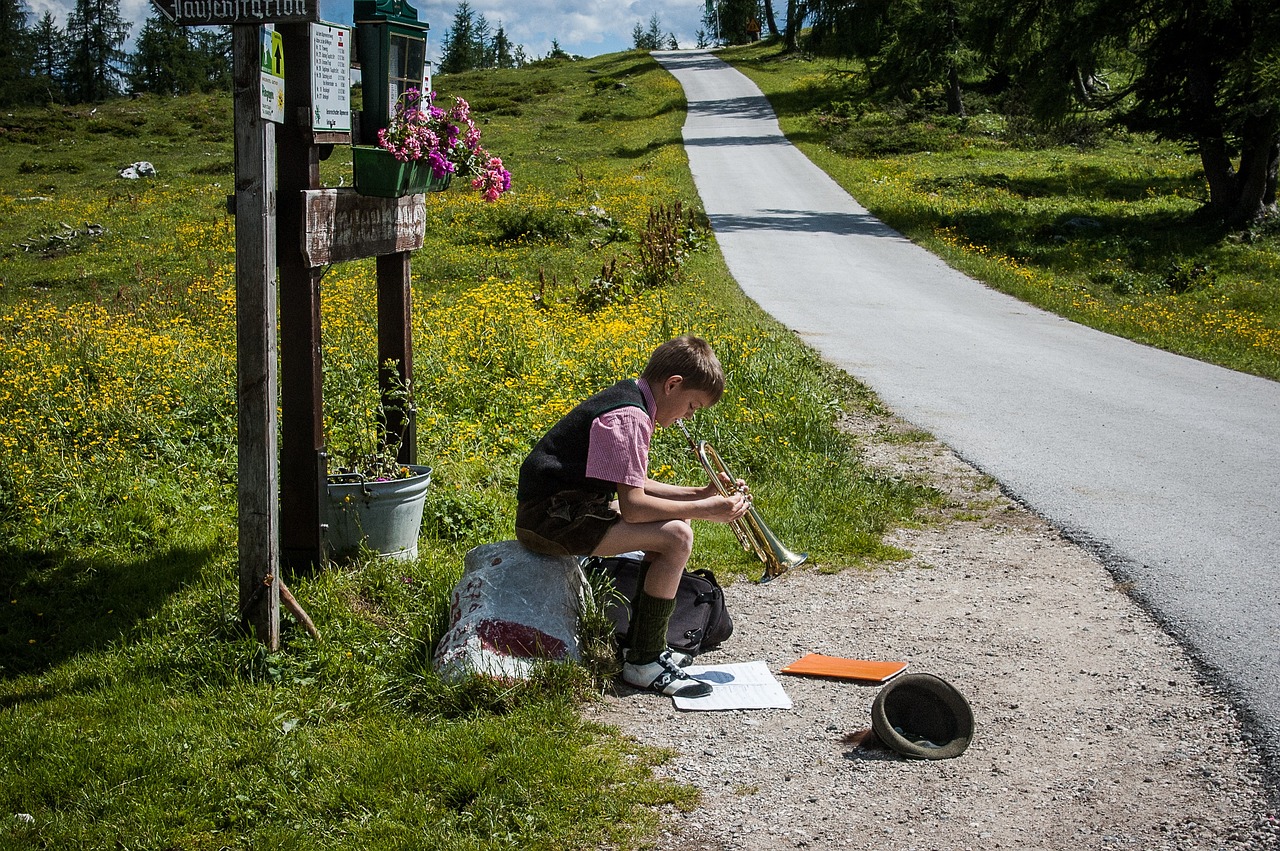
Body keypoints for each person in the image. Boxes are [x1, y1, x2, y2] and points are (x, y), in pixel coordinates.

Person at [515, 335, 750, 698]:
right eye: (692, 405)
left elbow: (631, 482)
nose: (689, 415)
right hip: (553, 520)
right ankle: (643, 663)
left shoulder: (630, 400)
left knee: (677, 525)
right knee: (677, 536)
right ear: (673, 385)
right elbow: (635, 506)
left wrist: (699, 494)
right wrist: (704, 510)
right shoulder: (630, 417)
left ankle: (643, 648)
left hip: (563, 510)